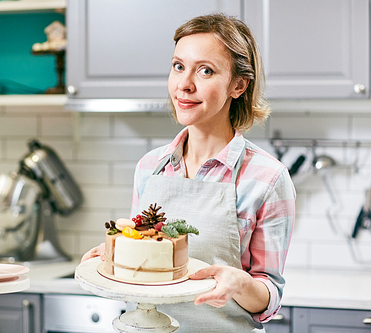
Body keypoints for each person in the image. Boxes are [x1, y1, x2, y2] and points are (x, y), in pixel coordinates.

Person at [81, 13, 295, 332]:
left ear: (238, 85)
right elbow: (144, 264)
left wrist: (240, 284)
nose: (184, 84)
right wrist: (115, 258)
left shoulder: (267, 178)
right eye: (178, 66)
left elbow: (269, 295)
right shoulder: (150, 167)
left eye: (205, 70)